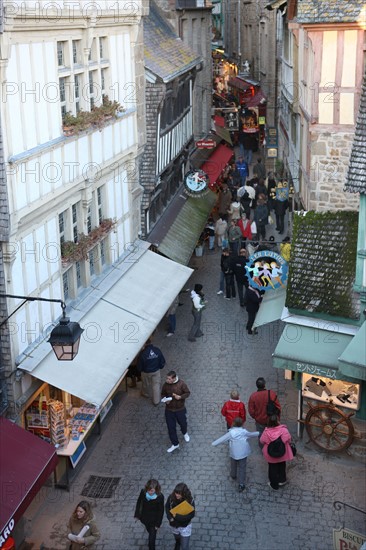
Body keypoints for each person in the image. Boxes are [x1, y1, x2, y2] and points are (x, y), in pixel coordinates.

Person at [212, 417, 259, 492]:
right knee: (242, 468)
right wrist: (258, 433)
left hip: (234, 452)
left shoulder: (231, 433)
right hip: (243, 453)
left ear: (233, 423)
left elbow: (222, 439)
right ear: (242, 424)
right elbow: (251, 435)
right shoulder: (244, 432)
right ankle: (241, 484)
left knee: (233, 464)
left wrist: (213, 444)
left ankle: (233, 475)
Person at [260, 414, 294, 490]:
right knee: (282, 466)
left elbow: (262, 441)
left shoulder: (266, 432)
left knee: (272, 468)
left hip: (271, 454)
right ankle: (282, 480)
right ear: (278, 421)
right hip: (282, 453)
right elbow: (288, 439)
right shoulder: (284, 430)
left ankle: (274, 485)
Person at [161, 370, 191, 453]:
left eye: (169, 379)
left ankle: (185, 433)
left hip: (180, 409)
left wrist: (180, 397)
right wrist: (165, 400)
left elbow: (187, 393)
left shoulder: (181, 384)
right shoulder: (165, 385)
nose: (167, 380)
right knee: (171, 427)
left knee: (183, 423)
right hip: (169, 410)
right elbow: (162, 393)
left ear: (174, 379)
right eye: (167, 378)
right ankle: (175, 444)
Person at [134, 479, 164, 550]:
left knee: (151, 541)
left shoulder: (160, 497)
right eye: (148, 490)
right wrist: (137, 515)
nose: (150, 492)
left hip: (154, 522)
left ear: (156, 490)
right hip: (144, 519)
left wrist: (157, 524)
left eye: (152, 490)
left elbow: (161, 511)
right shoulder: (143, 492)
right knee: (148, 530)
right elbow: (139, 503)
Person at [166, 483, 195, 550]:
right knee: (177, 538)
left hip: (185, 526)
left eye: (179, 493)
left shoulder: (190, 500)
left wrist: (177, 517)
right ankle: (178, 543)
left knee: (184, 547)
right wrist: (170, 518)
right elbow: (167, 507)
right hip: (174, 524)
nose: (176, 495)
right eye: (176, 493)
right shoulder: (171, 498)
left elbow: (192, 514)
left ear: (184, 493)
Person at [137, 339, 166, 405]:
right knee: (156, 385)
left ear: (144, 344)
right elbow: (162, 361)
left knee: (145, 384)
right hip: (156, 371)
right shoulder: (157, 350)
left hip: (146, 372)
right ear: (150, 342)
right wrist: (160, 367)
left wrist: (140, 371)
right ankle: (156, 401)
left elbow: (139, 366)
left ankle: (146, 394)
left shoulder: (142, 353)